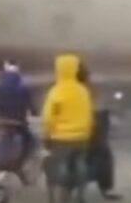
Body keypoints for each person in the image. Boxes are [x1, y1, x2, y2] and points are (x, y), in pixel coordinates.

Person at [41, 54, 94, 198]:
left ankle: (63, 197)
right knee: (80, 164)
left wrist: (47, 134)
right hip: (82, 137)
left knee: (62, 166)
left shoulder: (56, 91)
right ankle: (81, 194)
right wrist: (86, 132)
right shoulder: (83, 91)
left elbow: (48, 117)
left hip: (61, 138)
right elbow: (89, 114)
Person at [77, 63, 121, 201]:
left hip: (63, 135)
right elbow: (96, 111)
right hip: (85, 133)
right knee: (104, 156)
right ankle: (105, 189)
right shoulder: (88, 90)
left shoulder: (59, 89)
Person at [0, 60, 36, 162]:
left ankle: (3, 159)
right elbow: (29, 103)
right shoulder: (23, 87)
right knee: (29, 141)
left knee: (3, 139)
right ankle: (25, 158)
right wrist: (34, 112)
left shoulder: (0, 87)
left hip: (4, 120)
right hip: (19, 120)